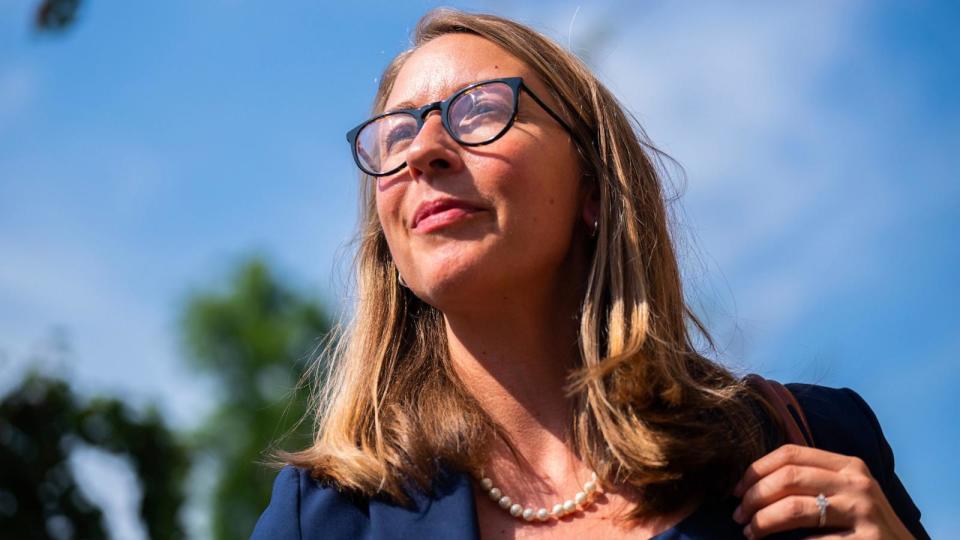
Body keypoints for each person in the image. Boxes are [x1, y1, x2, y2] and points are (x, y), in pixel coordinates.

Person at [252, 8, 928, 539]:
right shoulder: (330, 519)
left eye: (481, 109)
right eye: (396, 135)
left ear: (594, 189)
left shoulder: (809, 440)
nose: (424, 150)